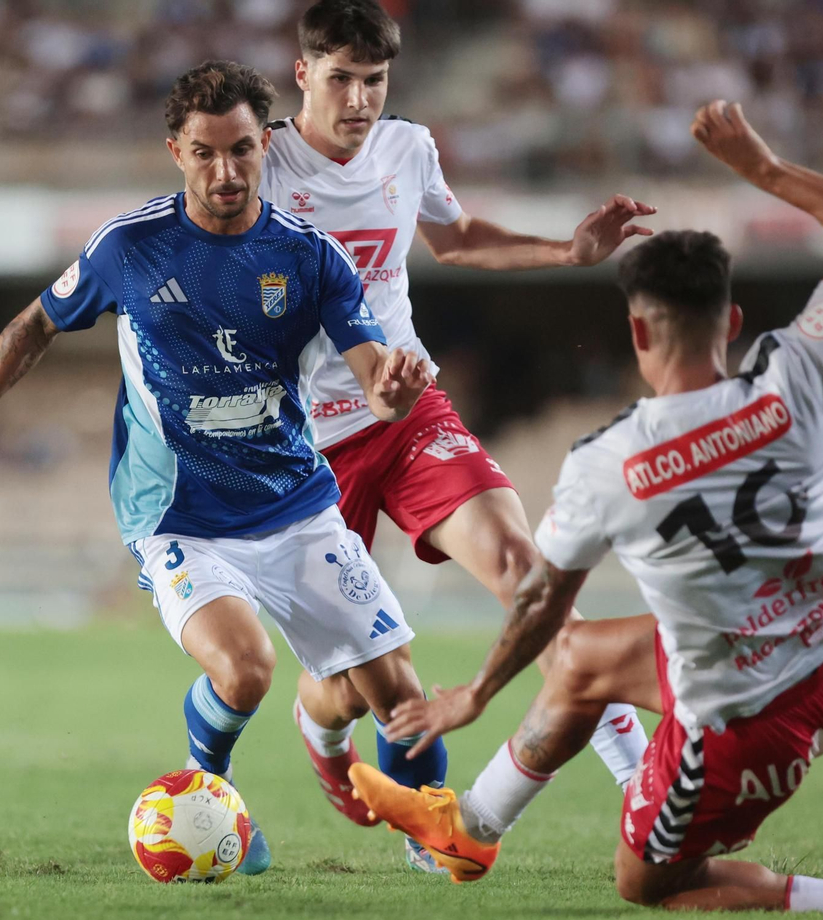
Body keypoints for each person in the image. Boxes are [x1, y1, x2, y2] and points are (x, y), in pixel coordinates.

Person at [348, 101, 823, 916]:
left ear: (638, 335)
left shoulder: (608, 461)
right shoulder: (797, 372)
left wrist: (473, 694)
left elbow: (541, 600)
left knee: (648, 886)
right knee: (579, 664)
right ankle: (468, 831)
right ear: (736, 323)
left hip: (740, 724)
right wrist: (763, 168)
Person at [0, 59, 449, 878]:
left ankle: (426, 834)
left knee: (400, 693)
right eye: (205, 153)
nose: (225, 172)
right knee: (247, 668)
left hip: (296, 506)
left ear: (264, 144)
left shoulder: (309, 257)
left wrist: (394, 390)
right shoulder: (130, 247)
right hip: (178, 516)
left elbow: (374, 375)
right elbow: (33, 327)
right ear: (175, 151)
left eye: (240, 150)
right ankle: (214, 791)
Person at [258, 0, 654, 869]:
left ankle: (641, 783)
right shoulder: (260, 165)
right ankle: (319, 732)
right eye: (341, 79)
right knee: (346, 693)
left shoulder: (408, 147)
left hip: (408, 415)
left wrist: (567, 253)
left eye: (375, 80)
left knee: (526, 571)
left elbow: (456, 236)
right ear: (303, 75)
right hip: (302, 450)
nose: (360, 99)